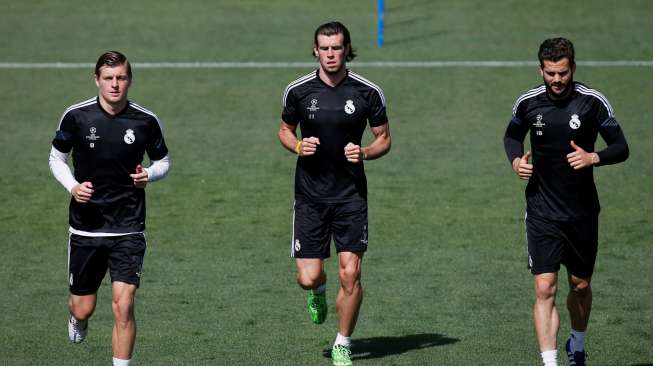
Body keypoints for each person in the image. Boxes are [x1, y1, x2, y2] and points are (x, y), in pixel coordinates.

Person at [504, 38, 629, 366]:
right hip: (542, 210)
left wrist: (593, 157)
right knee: (544, 287)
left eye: (562, 73)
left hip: (582, 212)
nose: (556, 80)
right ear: (540, 70)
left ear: (572, 68)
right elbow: (511, 136)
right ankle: (550, 362)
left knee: (581, 284)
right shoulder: (529, 103)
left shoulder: (592, 103)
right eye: (550, 73)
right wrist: (517, 161)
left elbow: (621, 147)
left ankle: (577, 341)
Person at [278, 21, 391, 366]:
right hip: (310, 197)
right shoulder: (298, 91)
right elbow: (284, 130)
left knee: (351, 273)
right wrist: (297, 144)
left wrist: (366, 152)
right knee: (308, 277)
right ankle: (319, 291)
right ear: (316, 51)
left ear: (346, 49)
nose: (331, 54)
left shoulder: (368, 92)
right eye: (324, 48)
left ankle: (343, 342)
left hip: (351, 197)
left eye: (337, 47)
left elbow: (384, 138)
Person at [49, 51, 170, 366]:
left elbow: (163, 161)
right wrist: (73, 187)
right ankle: (78, 317)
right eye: (108, 78)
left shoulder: (145, 120)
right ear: (97, 80)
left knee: (124, 305)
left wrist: (150, 174)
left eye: (121, 78)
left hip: (128, 226)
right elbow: (56, 159)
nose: (115, 85)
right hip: (86, 227)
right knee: (83, 307)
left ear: (129, 80)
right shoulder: (76, 117)